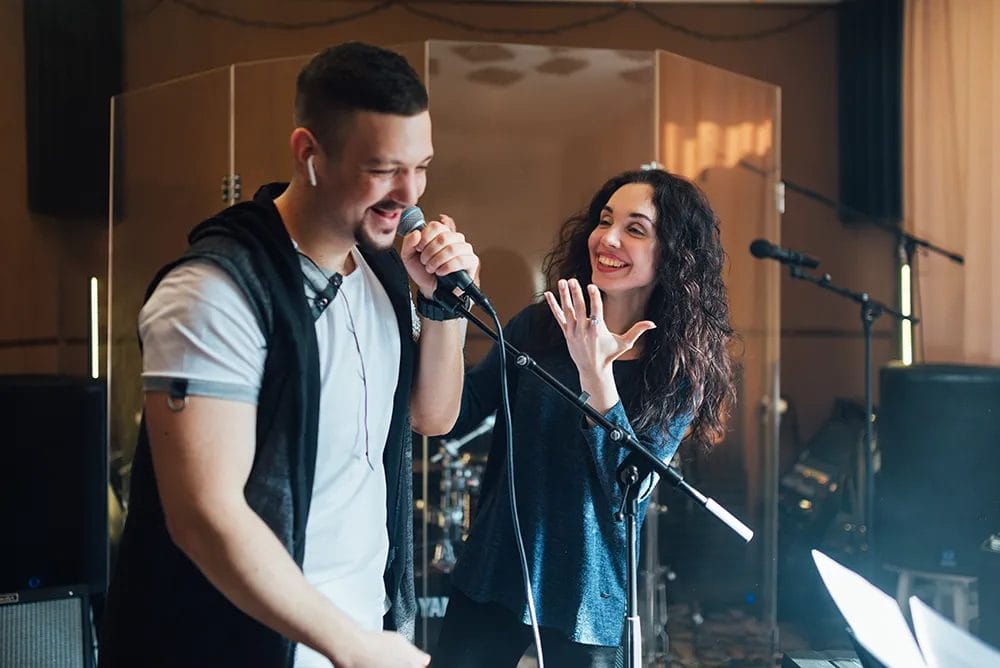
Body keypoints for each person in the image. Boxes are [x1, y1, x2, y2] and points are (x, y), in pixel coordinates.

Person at [100, 42, 480, 668]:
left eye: (422, 167)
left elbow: (431, 418)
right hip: (244, 647)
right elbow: (204, 516)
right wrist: (351, 648)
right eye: (382, 168)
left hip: (365, 632)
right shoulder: (213, 292)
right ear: (309, 153)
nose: (408, 195)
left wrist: (442, 307)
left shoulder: (382, 272)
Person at [431, 169, 736, 667]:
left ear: (673, 258)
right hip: (496, 568)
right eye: (605, 220)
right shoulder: (538, 326)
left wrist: (596, 374)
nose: (607, 239)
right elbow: (457, 413)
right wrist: (440, 318)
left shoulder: (680, 368)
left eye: (635, 229)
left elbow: (627, 490)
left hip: (589, 594)